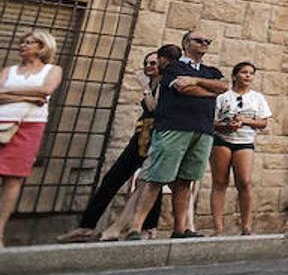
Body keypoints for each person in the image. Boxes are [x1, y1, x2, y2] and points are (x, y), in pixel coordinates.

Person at [57, 47, 176, 243]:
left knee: (151, 181)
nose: (149, 66)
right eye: (146, 63)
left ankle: (148, 228)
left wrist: (145, 87)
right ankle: (87, 227)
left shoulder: (163, 84)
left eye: (153, 63)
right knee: (112, 178)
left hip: (156, 136)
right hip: (141, 135)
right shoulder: (152, 83)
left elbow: (154, 108)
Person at [126, 30, 228, 239]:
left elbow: (224, 86)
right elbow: (184, 89)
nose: (204, 44)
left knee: (185, 180)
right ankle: (135, 227)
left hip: (202, 130)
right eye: (198, 40)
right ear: (185, 43)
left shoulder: (211, 70)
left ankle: (180, 229)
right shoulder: (173, 67)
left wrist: (195, 80)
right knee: (156, 177)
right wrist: (208, 92)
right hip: (174, 128)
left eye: (207, 41)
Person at [0, 30, 64, 247]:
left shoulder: (52, 70)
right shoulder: (10, 70)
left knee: (13, 178)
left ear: (42, 47)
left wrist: (11, 94)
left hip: (29, 126)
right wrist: (30, 95)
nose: (23, 45)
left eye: (29, 42)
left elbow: (46, 89)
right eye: (22, 42)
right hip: (2, 121)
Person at [210, 62, 271, 236]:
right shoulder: (222, 96)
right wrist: (226, 126)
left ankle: (246, 226)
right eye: (244, 72)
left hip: (245, 142)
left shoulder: (257, 98)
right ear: (235, 75)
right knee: (220, 182)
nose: (247, 76)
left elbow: (263, 122)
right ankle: (218, 228)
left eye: (251, 73)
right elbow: (212, 121)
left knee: (244, 182)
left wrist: (244, 121)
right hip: (222, 140)